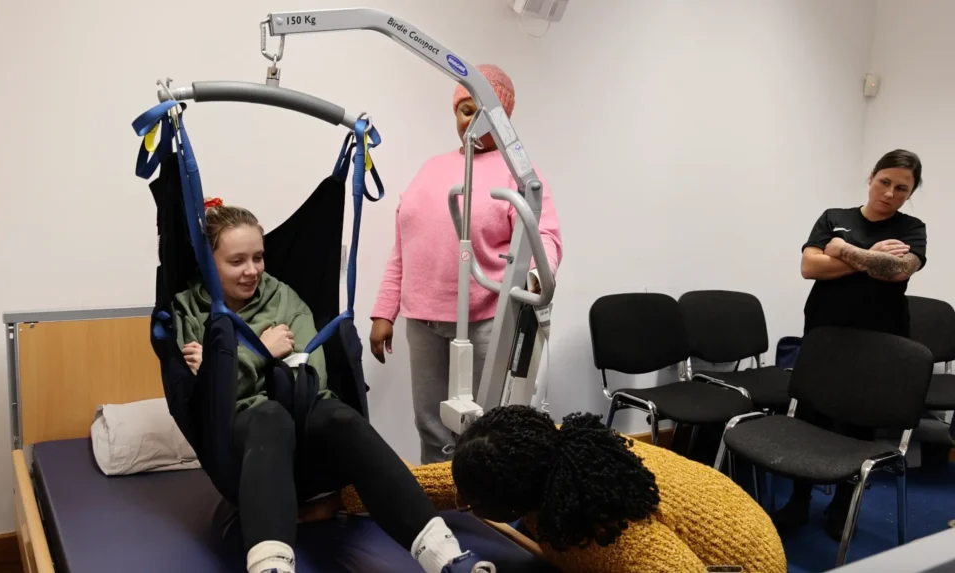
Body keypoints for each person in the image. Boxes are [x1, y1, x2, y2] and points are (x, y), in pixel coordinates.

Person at [172, 198, 496, 573]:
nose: (252, 271)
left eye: (258, 257)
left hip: (305, 419)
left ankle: (445, 557)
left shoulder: (284, 298)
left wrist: (234, 363)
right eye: (236, 261)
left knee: (340, 416)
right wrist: (266, 352)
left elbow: (309, 375)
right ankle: (270, 568)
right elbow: (209, 393)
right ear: (209, 264)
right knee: (269, 416)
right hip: (241, 438)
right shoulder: (189, 311)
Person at [369, 64, 563, 464]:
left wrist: (534, 275)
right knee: (431, 421)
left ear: (504, 118)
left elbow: (545, 235)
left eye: (484, 112)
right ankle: (440, 495)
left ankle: (480, 503)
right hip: (422, 318)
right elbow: (403, 246)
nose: (471, 122)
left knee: (481, 425)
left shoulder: (519, 172)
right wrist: (384, 311)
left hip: (486, 317)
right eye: (465, 110)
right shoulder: (431, 168)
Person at [338, 405, 788, 572]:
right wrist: (343, 498)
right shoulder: (542, 447)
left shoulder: (609, 536)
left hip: (745, 560)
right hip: (715, 511)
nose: (462, 506)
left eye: (471, 504)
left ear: (512, 499)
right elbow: (437, 483)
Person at [773, 149, 927, 540]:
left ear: (910, 193)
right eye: (885, 182)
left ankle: (843, 506)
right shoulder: (834, 217)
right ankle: (799, 500)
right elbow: (810, 267)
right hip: (824, 335)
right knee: (810, 422)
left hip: (880, 341)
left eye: (902, 188)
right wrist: (871, 258)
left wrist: (841, 250)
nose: (890, 193)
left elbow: (897, 272)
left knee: (857, 428)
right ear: (871, 177)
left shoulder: (912, 229)